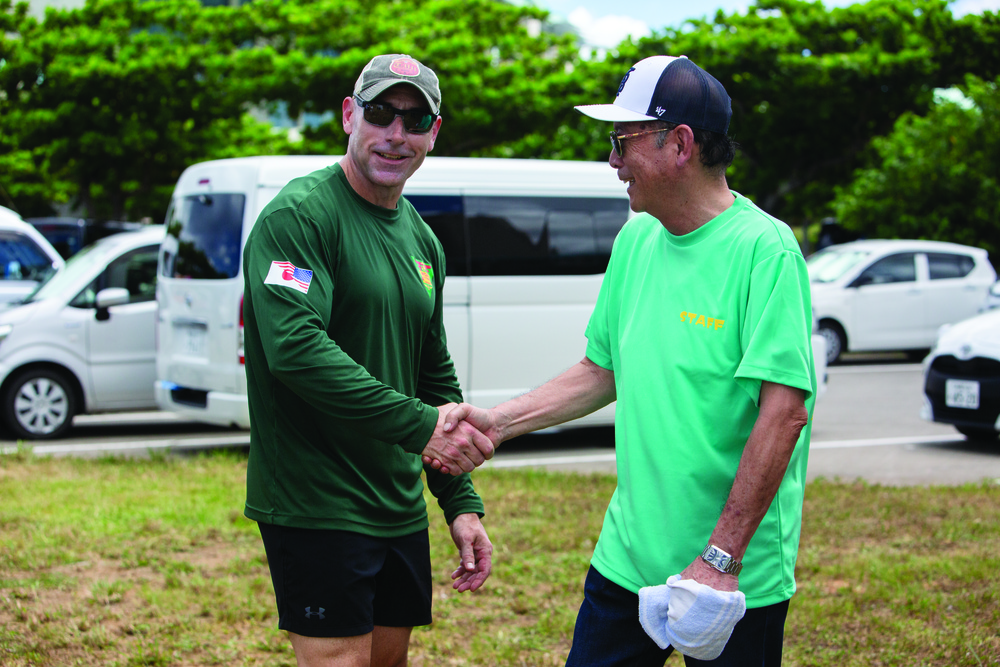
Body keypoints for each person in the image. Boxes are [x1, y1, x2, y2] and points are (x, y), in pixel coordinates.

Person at [432, 55, 816, 666]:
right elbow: (601, 371)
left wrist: (721, 557)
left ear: (680, 144)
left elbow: (784, 415)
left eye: (622, 141)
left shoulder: (764, 251)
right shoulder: (636, 238)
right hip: (626, 559)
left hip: (728, 574)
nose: (612, 161)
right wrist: (497, 423)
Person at [241, 54, 496, 667]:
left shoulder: (421, 239)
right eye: (380, 114)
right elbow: (295, 350)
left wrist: (459, 502)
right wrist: (420, 425)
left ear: (434, 133)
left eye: (414, 120)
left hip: (397, 504)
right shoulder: (300, 217)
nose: (395, 135)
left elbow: (432, 375)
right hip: (316, 501)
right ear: (350, 117)